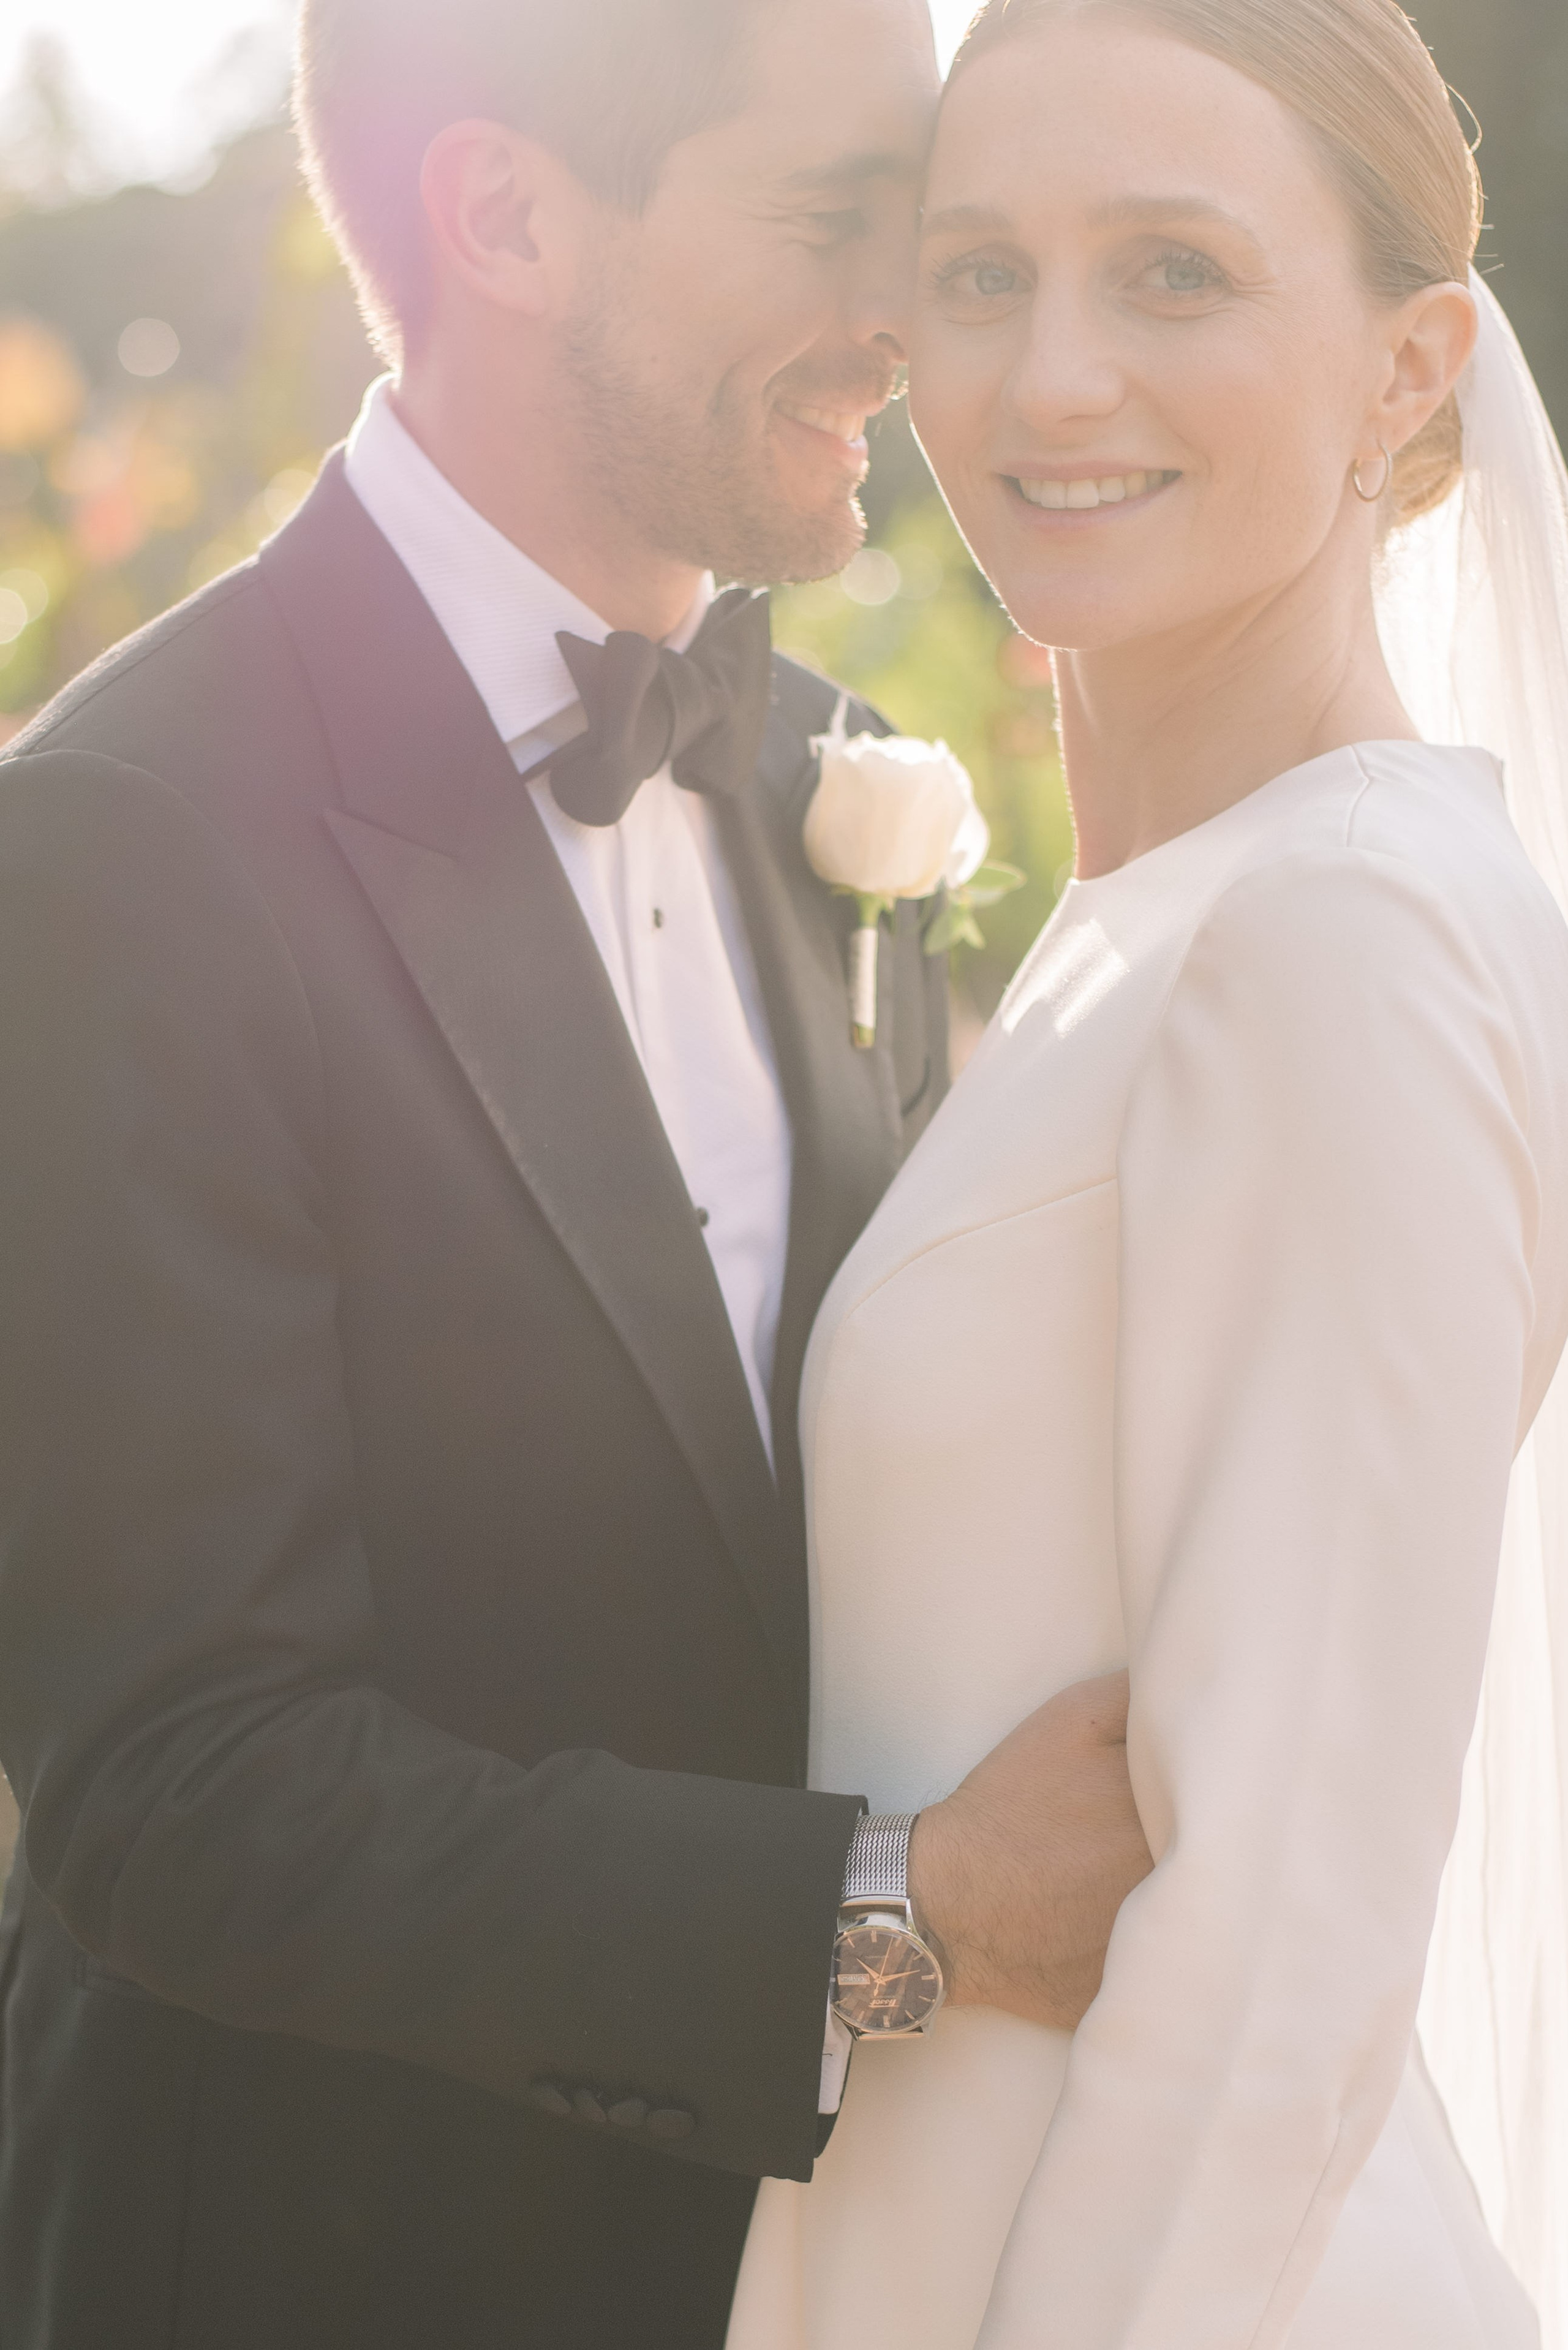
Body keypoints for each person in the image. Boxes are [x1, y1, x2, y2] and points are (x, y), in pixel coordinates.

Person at [0, 1, 1156, 2346]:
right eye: (838, 218)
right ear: (509, 214)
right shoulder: (119, 844)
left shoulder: (833, 776)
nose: (903, 313)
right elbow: (174, 1778)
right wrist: (898, 1912)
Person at [726, 1, 1568, 2345]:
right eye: (983, 275)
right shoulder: (1172, 922)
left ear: (1410, 368)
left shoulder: (1346, 933)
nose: (1050, 378)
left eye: (1176, 273)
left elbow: (1278, 1926)